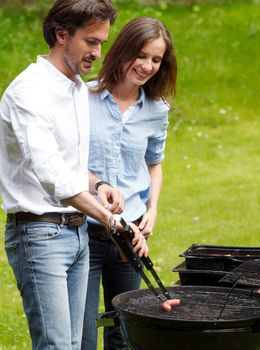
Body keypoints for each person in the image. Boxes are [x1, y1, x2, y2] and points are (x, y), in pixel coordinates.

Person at [0, 2, 148, 349]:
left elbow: (70, 166)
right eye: (91, 42)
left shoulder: (78, 89)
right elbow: (53, 177)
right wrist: (113, 221)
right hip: (40, 235)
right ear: (61, 35)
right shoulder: (29, 92)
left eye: (101, 43)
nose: (98, 53)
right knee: (56, 346)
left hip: (78, 231)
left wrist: (99, 185)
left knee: (77, 344)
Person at [81, 16, 177, 350]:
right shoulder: (83, 98)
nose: (148, 65)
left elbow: (155, 162)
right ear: (123, 50)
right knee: (83, 332)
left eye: (156, 59)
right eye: (142, 55)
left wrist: (152, 209)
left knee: (124, 331)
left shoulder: (156, 109)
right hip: (86, 230)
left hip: (131, 234)